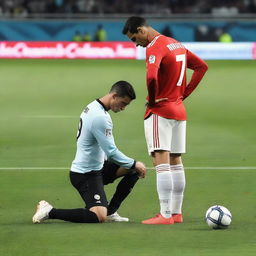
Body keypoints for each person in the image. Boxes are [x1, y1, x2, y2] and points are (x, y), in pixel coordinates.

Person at [122, 17, 208, 225]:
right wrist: (183, 94)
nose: (137, 44)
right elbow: (201, 67)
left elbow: (151, 78)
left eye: (135, 38)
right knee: (175, 161)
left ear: (142, 30)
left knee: (160, 160)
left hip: (160, 110)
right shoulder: (175, 43)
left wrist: (152, 101)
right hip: (179, 110)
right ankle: (176, 213)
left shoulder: (155, 47)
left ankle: (165, 214)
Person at [32, 80, 147, 224]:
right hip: (85, 174)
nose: (123, 108)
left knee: (133, 169)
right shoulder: (100, 117)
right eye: (123, 103)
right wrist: (135, 163)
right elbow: (111, 152)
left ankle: (110, 211)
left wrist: (133, 165)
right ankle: (49, 211)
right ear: (114, 96)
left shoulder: (95, 106)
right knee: (98, 216)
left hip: (98, 167)